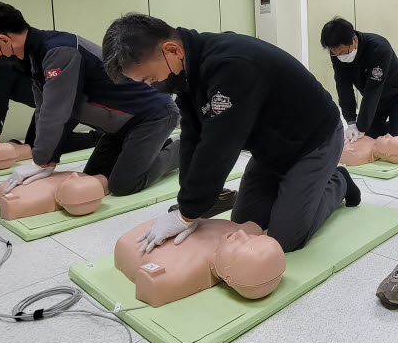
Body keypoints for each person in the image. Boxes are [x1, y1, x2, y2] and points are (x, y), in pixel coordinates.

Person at [101, 13, 361, 254]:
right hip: (270, 147)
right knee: (242, 224)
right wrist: (187, 206)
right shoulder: (186, 73)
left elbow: (220, 145)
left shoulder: (231, 65)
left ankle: (337, 181)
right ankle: (298, 189)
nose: (152, 86)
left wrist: (187, 214)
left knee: (285, 239)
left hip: (313, 142)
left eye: (149, 78)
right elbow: (193, 138)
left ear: (172, 50)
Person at [0, 1, 179, 196]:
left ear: (2, 40)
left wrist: (41, 160)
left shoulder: (59, 51)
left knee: (123, 184)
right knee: (93, 177)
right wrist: (46, 158)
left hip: (152, 116)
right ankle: (149, 149)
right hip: (120, 126)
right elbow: (43, 109)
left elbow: (59, 110)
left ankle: (183, 150)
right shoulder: (36, 55)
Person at [320, 17, 398, 143]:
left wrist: (361, 126)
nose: (340, 56)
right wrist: (351, 122)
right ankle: (397, 124)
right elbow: (343, 87)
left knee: (396, 141)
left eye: (343, 52)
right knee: (370, 137)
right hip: (377, 100)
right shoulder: (336, 54)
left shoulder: (379, 48)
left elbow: (373, 90)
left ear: (354, 40)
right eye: (335, 53)